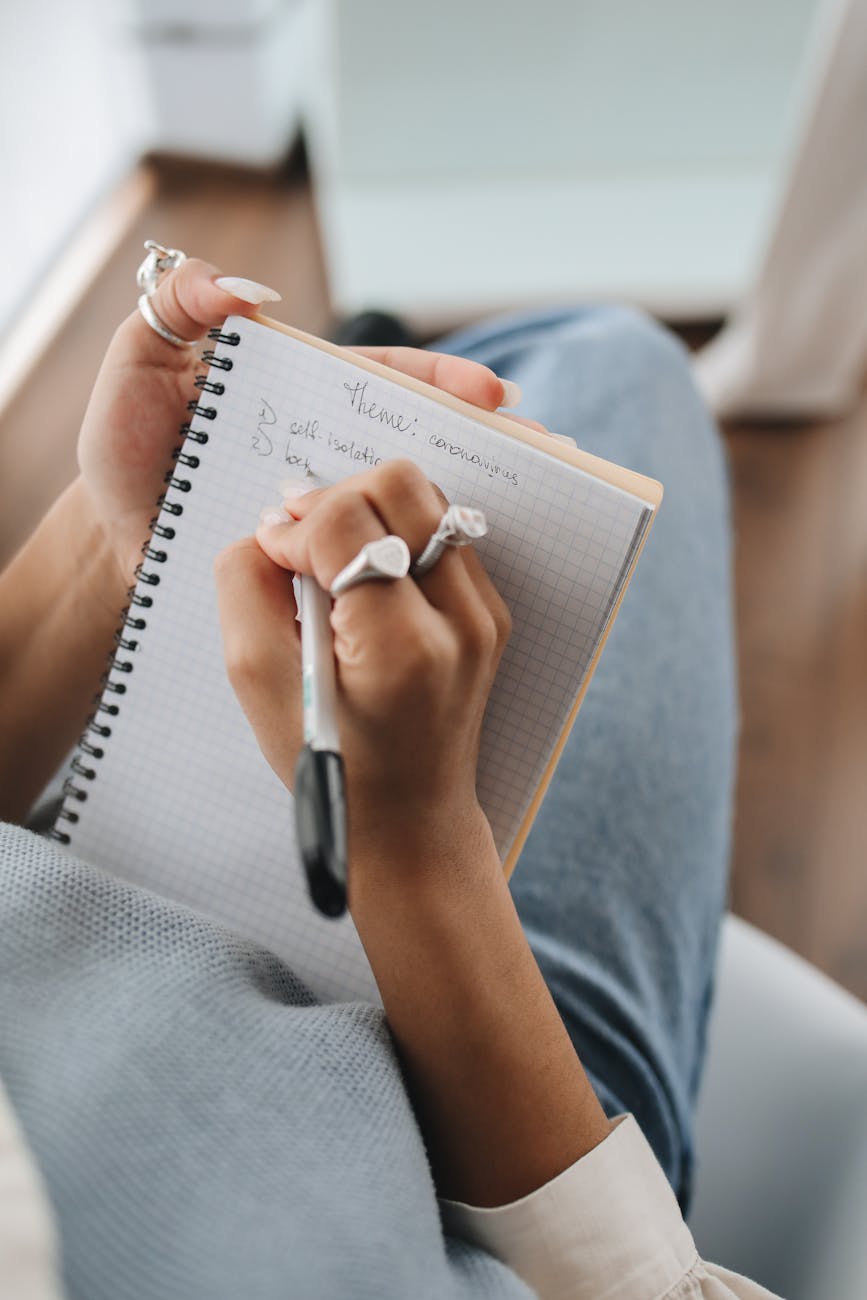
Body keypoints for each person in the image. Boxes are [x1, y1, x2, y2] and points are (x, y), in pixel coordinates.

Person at [0, 255, 778, 1299]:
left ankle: (392, 367)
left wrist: (116, 546)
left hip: (82, 866)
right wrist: (413, 848)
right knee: (611, 357)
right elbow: (634, 1278)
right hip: (489, 1151)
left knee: (525, 381)